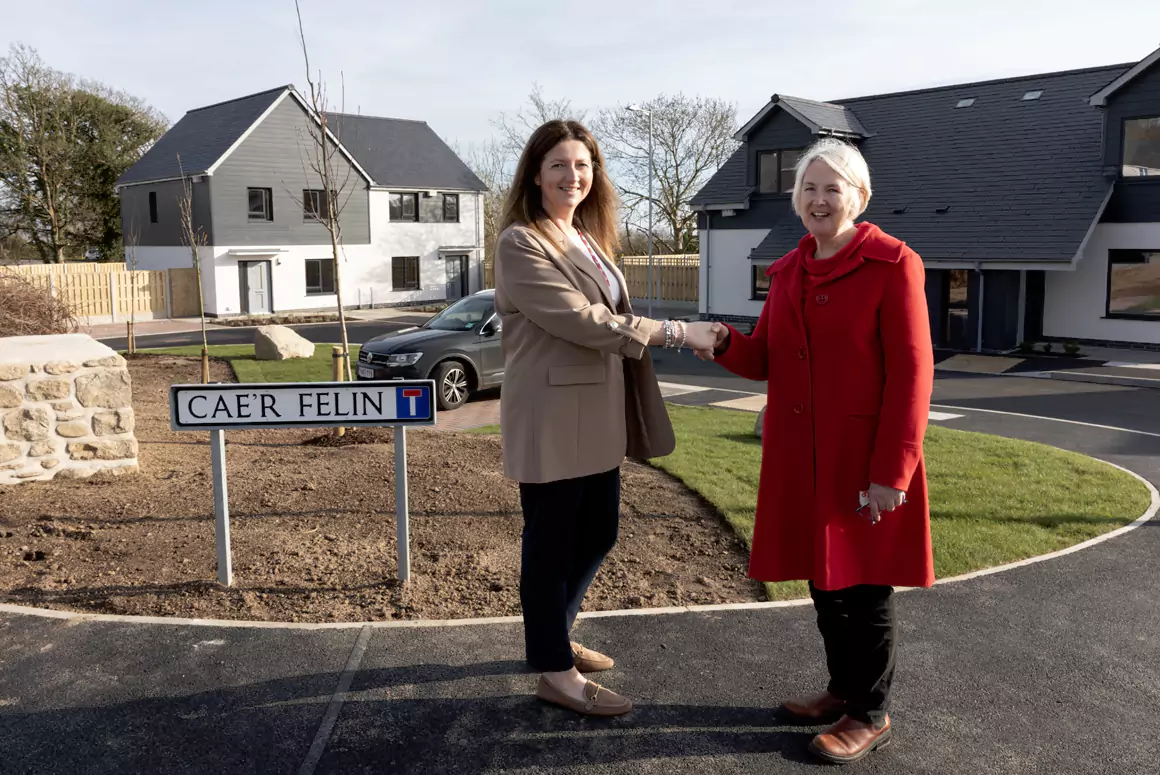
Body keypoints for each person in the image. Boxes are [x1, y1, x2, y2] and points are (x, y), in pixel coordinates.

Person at [696, 137, 935, 764]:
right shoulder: (789, 270)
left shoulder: (893, 264)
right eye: (809, 187)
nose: (819, 198)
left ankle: (870, 711)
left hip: (863, 463)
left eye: (833, 188)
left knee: (866, 590)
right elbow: (763, 357)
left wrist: (894, 470)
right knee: (824, 583)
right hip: (799, 460)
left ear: (859, 196)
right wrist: (722, 339)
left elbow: (914, 375)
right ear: (796, 198)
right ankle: (840, 690)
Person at [494, 119, 724, 717]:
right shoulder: (522, 242)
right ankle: (554, 671)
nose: (573, 176)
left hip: (595, 413)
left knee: (599, 533)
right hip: (550, 416)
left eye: (583, 165)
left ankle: (554, 639)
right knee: (550, 545)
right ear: (536, 176)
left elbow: (607, 316)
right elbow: (582, 321)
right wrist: (676, 331)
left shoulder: (588, 239)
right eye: (559, 166)